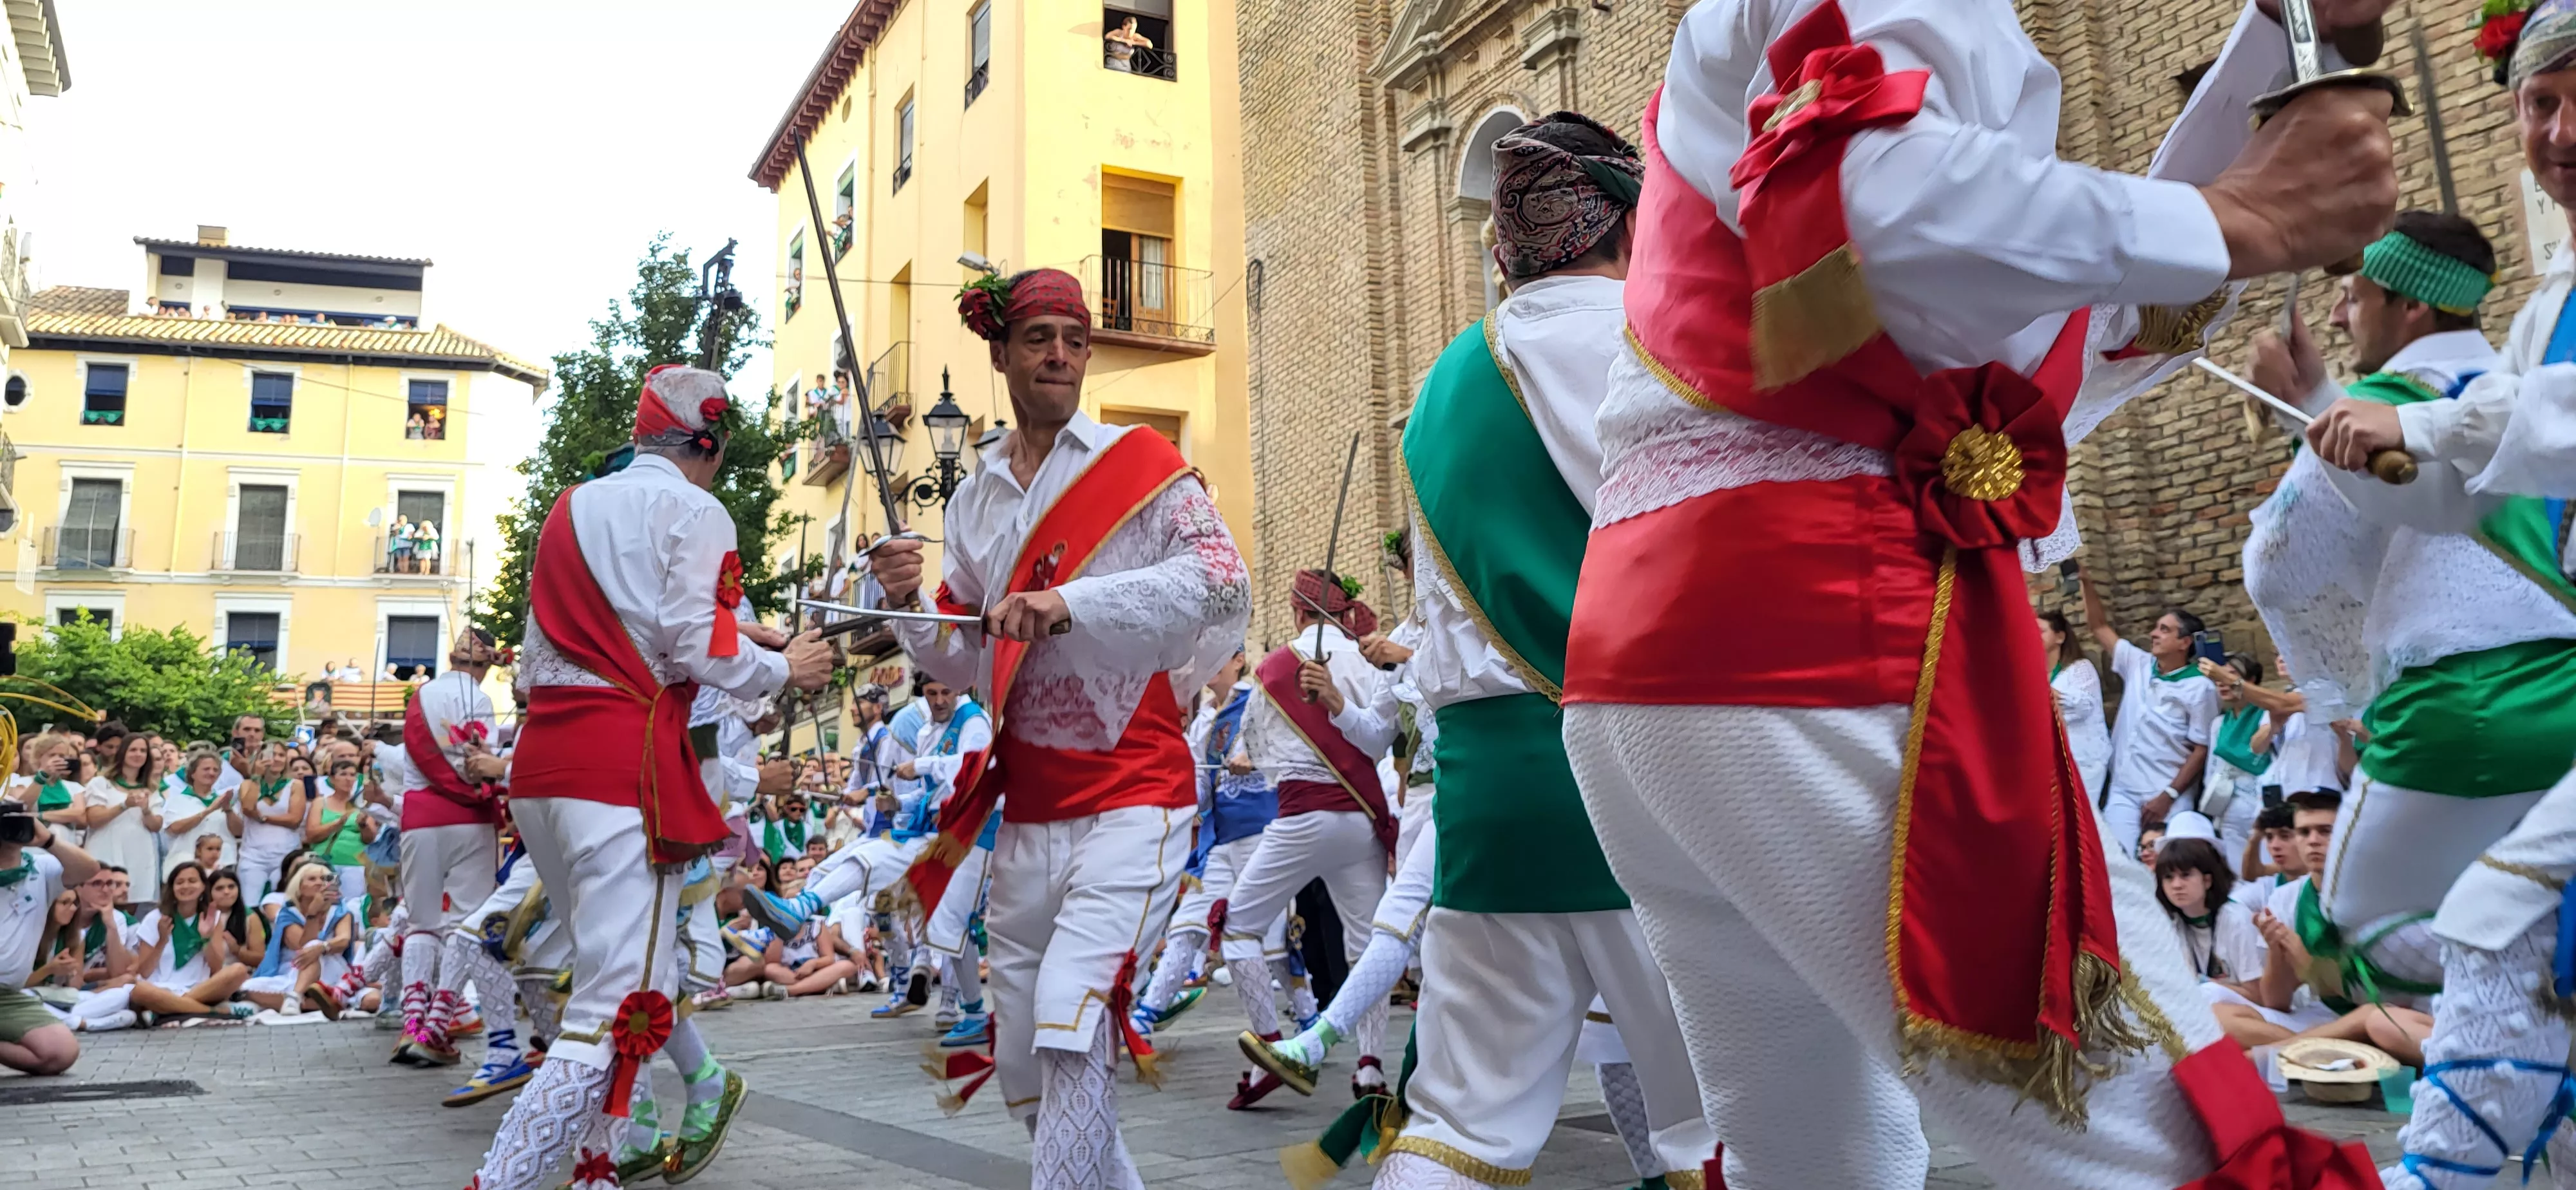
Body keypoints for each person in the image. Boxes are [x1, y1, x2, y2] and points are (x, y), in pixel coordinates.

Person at [1555, 0, 2403, 1185]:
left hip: (1658, 666)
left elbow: (2057, 314)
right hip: (1821, 638)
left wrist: (2275, 44)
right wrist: (2237, 215)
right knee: (2173, 1151)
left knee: (1819, 1162)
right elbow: (1886, 216)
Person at [1257, 113, 1714, 1185]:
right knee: (1722, 1125)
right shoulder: (1660, 341)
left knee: (1461, 1123)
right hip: (1645, 787)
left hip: (1484, 803)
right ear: (1629, 223)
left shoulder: (1442, 387)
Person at [867, 267, 1247, 1186]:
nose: (1061, 356)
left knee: (1075, 1021)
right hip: (1029, 810)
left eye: (1075, 340)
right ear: (1000, 354)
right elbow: (965, 656)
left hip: (1134, 793)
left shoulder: (1141, 464)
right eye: (1039, 338)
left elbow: (1222, 580)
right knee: (1029, 1071)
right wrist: (909, 601)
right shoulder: (974, 498)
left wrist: (1071, 602)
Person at [471, 364, 829, 1190]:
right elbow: (694, 644)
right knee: (611, 1008)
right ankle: (502, 1180)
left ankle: (606, 1161)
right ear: (711, 446)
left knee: (618, 975)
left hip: (542, 770)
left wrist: (739, 638)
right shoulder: (698, 510)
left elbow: (557, 657)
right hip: (622, 770)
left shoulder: (569, 507)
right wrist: (786, 668)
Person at [1218, 569, 1397, 1107]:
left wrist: (1247, 763)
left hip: (1301, 817)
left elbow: (1256, 748)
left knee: (1238, 928)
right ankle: (1370, 1067)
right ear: (1343, 613)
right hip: (1360, 817)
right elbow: (1383, 734)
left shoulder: (1277, 667)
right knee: (1368, 946)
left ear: (1298, 611)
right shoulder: (1368, 660)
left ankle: (1271, 1048)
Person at [1133, 650, 1271, 1038]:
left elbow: (1284, 749)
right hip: (1219, 838)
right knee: (1187, 924)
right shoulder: (1204, 720)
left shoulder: (1260, 702)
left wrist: (1253, 756)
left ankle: (1305, 1022)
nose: (1207, 666)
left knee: (1272, 939)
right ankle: (1146, 1016)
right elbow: (1201, 789)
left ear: (1239, 661)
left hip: (1261, 830)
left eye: (1217, 657)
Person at [386, 628, 507, 1068]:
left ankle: (412, 1025)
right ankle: (435, 1027)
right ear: (488, 660)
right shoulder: (479, 698)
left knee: (421, 922)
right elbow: (479, 766)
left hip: (421, 818)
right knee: (464, 923)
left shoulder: (422, 696)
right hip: (468, 819)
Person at [2079, 577, 2221, 859]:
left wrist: (2169, 795)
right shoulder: (2139, 664)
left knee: (2171, 863)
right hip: (2124, 790)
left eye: (2164, 630)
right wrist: (2085, 582)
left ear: (2184, 642)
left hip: (2169, 794)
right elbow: (2099, 627)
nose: (2154, 634)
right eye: (2156, 627)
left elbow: (2201, 748)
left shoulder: (2201, 686)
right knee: (2119, 863)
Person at [0, 802, 102, 1073]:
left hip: (6, 996)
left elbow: (89, 869)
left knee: (61, 1052)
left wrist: (47, 840)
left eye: (16, 820)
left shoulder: (40, 868)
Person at [81, 733, 164, 907]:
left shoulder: (151, 788)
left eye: (143, 751)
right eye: (133, 750)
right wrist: (124, 805)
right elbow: (94, 819)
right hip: (106, 850)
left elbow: (156, 826)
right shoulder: (101, 783)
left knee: (131, 902)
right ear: (123, 753)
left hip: (138, 854)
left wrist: (146, 809)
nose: (138, 754)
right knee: (100, 900)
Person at [2040, 610, 2112, 802]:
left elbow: (2083, 707)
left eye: (2040, 631)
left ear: (2060, 637)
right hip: (2051, 762)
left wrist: (2045, 694)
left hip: (2085, 760)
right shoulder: (2035, 673)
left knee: (2083, 812)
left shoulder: (2080, 668)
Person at [151, 750, 241, 877]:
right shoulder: (178, 800)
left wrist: (228, 810)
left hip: (222, 866)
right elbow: (174, 829)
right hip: (187, 866)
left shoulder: (223, 800)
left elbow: (238, 831)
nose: (211, 773)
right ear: (192, 773)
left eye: (216, 770)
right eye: (206, 769)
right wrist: (209, 810)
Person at [234, 741, 303, 905]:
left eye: (281, 755)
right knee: (248, 904)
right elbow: (248, 809)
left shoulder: (295, 785)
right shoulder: (247, 784)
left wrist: (263, 818)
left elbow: (294, 820)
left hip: (286, 854)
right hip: (253, 855)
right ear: (259, 759)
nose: (277, 759)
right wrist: (256, 778)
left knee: (283, 905)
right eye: (272, 755)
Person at [301, 758, 376, 903]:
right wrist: (337, 823)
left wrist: (363, 826)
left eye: (352, 775)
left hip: (354, 864)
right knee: (324, 904)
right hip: (324, 864)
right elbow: (311, 835)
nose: (348, 779)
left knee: (352, 905)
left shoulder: (363, 805)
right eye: (343, 774)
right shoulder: (320, 803)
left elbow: (370, 839)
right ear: (332, 779)